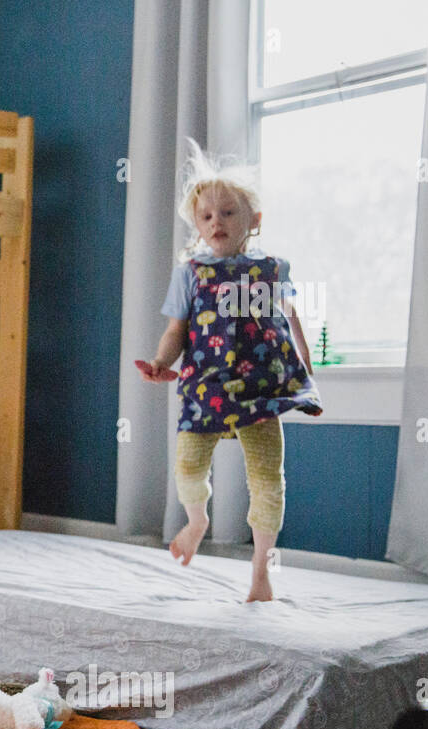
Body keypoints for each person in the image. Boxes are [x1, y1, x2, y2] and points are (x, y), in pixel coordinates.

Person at [137, 138, 322, 602]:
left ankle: (260, 571)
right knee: (188, 463)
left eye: (228, 213)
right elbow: (176, 330)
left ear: (254, 220)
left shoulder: (272, 269)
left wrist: (307, 370)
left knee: (267, 477)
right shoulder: (190, 273)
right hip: (206, 384)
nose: (216, 222)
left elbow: (292, 318)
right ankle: (197, 519)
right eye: (206, 216)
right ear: (196, 225)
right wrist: (162, 362)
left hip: (262, 386)